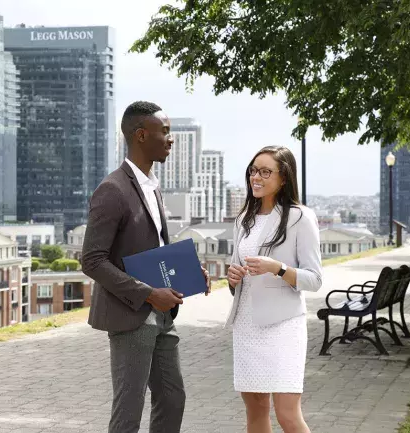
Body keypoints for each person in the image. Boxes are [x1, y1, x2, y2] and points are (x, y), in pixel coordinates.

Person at [81, 101, 211, 433]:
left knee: (172, 398)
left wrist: (191, 274)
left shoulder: (152, 187)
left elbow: (154, 249)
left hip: (163, 316)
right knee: (129, 408)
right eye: (165, 132)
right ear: (141, 135)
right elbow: (92, 260)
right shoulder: (112, 190)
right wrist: (149, 294)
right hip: (130, 315)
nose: (171, 140)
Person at [225, 146, 322, 433]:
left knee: (287, 414)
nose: (256, 177)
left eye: (265, 171)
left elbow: (314, 279)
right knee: (255, 409)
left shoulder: (299, 217)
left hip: (283, 326)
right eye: (253, 170)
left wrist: (276, 268)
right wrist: (233, 278)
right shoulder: (244, 219)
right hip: (246, 324)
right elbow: (236, 274)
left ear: (284, 177)